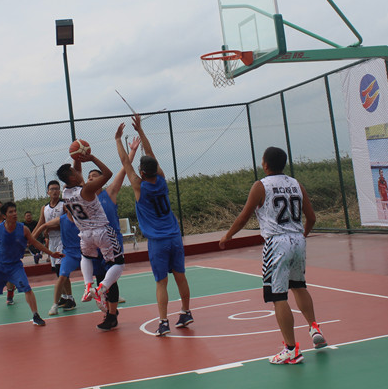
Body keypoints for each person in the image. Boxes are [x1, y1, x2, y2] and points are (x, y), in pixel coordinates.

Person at [219, 146, 328, 365]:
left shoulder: (261, 186)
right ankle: (314, 327)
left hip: (277, 243)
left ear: (265, 164)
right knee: (299, 285)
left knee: (278, 296)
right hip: (298, 239)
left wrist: (227, 236)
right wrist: (301, 237)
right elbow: (312, 217)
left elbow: (244, 216)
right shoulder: (296, 184)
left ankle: (291, 350)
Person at [115, 116, 193, 336]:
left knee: (161, 282)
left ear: (141, 172)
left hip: (158, 241)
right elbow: (150, 154)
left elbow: (125, 162)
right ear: (155, 168)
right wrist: (141, 129)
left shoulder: (139, 186)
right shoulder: (162, 179)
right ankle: (186, 312)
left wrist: (118, 139)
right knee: (180, 276)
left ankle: (164, 322)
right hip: (174, 236)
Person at [0, 201, 64, 329]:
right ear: (5, 215)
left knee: (27, 289)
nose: (14, 214)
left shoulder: (23, 229)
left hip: (14, 266)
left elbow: (35, 242)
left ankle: (36, 315)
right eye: (11, 212)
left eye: (15, 211)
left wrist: (51, 253)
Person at [56, 150, 125, 315]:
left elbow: (76, 173)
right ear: (72, 177)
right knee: (118, 263)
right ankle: (101, 288)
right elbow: (108, 174)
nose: (77, 171)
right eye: (74, 171)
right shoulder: (86, 189)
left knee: (86, 258)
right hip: (101, 231)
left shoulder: (65, 192)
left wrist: (77, 158)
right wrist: (92, 158)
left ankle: (88, 286)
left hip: (85, 235)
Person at [83, 136, 140, 330]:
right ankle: (110, 312)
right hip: (94, 244)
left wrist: (132, 150)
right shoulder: (85, 199)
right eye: (89, 177)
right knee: (100, 281)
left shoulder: (109, 193)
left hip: (111, 242)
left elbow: (124, 168)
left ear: (102, 180)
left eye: (94, 176)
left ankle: (112, 316)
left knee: (110, 281)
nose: (90, 179)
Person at [32, 180, 70, 306]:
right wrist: (31, 238)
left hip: (62, 239)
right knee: (57, 271)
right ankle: (64, 296)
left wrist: (49, 227)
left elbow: (67, 223)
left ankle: (70, 298)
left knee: (61, 270)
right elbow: (40, 224)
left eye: (57, 189)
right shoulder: (45, 208)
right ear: (48, 192)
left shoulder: (64, 205)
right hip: (52, 241)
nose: (55, 191)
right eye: (52, 189)